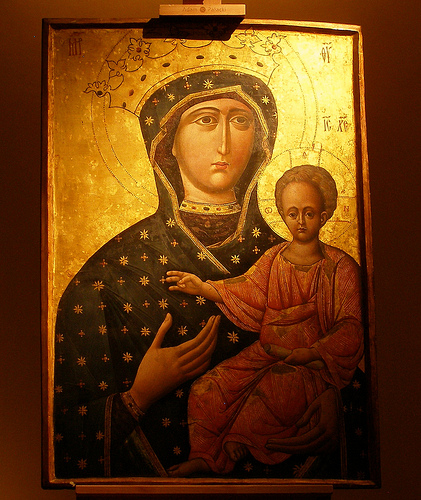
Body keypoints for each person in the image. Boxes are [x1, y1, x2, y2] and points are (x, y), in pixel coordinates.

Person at [53, 69, 290, 478]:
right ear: (168, 143)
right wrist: (139, 396)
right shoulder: (105, 280)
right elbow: (66, 434)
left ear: (260, 143)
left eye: (240, 121)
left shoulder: (298, 264)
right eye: (205, 120)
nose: (224, 142)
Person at [165, 165, 364, 476]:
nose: (300, 221)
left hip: (309, 364)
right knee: (208, 387)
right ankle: (204, 455)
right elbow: (247, 290)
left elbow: (351, 326)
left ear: (324, 216)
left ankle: (241, 439)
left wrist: (313, 353)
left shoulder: (341, 267)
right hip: (265, 353)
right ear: (282, 214)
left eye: (309, 213)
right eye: (293, 213)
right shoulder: (274, 258)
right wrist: (202, 287)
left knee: (276, 386)